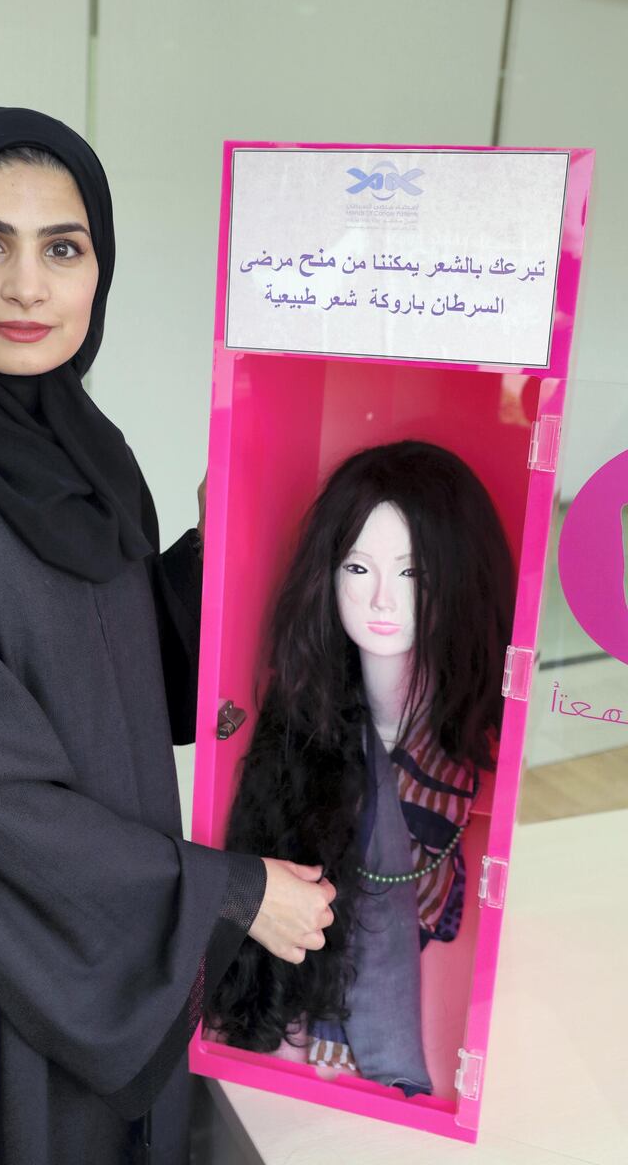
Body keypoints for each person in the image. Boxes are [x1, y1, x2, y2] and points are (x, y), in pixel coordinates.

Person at [0, 107, 335, 1165]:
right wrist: (229, 890)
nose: (27, 287)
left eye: (62, 248)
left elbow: (127, 676)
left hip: (98, 933)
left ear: (96, 269)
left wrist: (218, 537)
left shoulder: (91, 464)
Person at [206, 440, 514, 1095]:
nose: (380, 600)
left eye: (411, 574)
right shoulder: (295, 732)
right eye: (357, 568)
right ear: (329, 572)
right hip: (292, 1055)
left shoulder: (464, 741)